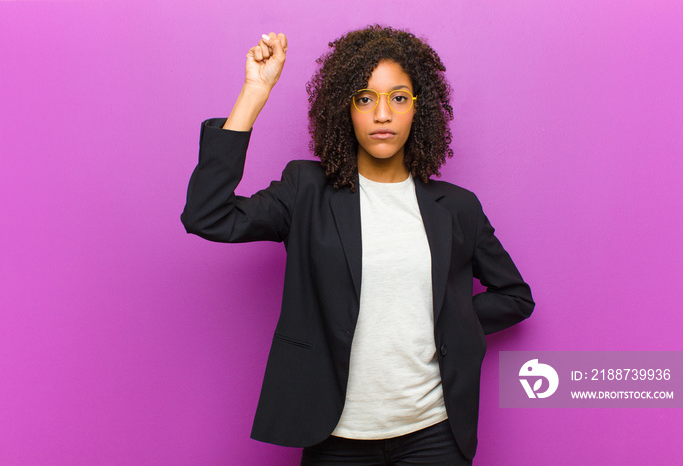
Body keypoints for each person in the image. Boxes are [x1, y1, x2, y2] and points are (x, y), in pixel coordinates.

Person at [181, 25, 534, 465]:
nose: (382, 114)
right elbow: (207, 215)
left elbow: (516, 297)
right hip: (336, 436)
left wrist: (449, 322)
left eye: (398, 98)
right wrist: (255, 92)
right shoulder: (306, 190)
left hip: (435, 434)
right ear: (343, 109)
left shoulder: (456, 208)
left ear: (417, 110)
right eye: (365, 98)